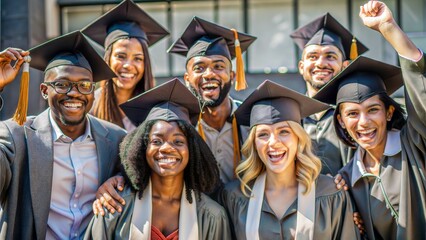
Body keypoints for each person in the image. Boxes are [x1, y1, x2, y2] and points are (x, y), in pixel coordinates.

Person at [314, 1, 426, 239]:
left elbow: (420, 93)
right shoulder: (346, 179)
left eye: (373, 109)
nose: (363, 122)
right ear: (341, 121)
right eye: (352, 114)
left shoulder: (416, 143)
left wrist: (388, 27)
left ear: (388, 112)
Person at [0, 31, 126, 239]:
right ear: (43, 90)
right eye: (61, 84)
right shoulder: (16, 137)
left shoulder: (115, 139)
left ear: (93, 93)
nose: (74, 93)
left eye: (84, 85)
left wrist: (120, 179)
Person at [84, 79, 231, 239]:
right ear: (142, 148)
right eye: (156, 141)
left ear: (192, 150)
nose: (167, 148)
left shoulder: (212, 216)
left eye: (178, 141)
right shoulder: (116, 206)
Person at [220, 80, 359, 239]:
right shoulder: (235, 196)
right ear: (254, 144)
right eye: (263, 134)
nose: (273, 142)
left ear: (298, 138)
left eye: (284, 132)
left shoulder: (331, 194)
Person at [168, 16, 256, 183]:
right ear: (187, 78)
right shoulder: (179, 126)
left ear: (232, 76)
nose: (209, 74)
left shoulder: (254, 122)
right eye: (199, 68)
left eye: (218, 66)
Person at [290, 13, 368, 176]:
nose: (320, 63)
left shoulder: (358, 117)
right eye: (313, 57)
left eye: (330, 56)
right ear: (301, 66)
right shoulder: (290, 116)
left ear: (345, 65)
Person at [82, 0, 169, 131]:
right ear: (108, 59)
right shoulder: (90, 107)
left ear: (146, 64)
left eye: (138, 58)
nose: (128, 65)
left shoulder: (157, 109)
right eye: (120, 56)